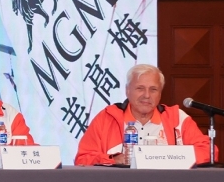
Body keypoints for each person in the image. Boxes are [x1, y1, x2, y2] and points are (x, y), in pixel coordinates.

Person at [75, 63, 213, 165]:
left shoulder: (177, 118)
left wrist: (168, 157)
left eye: (153, 89)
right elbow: (82, 159)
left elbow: (208, 152)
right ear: (127, 90)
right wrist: (112, 160)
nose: (147, 95)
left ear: (160, 94)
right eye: (140, 88)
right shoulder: (107, 118)